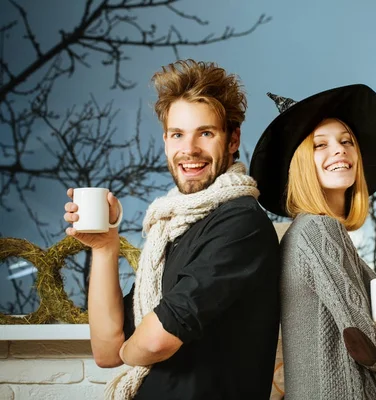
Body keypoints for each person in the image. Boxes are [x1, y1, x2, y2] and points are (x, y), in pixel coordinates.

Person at [63, 60, 281, 400]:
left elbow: (155, 340)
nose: (189, 149)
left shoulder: (241, 222)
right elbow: (107, 349)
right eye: (178, 134)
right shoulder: (172, 230)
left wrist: (135, 353)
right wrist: (106, 246)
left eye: (206, 133)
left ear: (233, 138)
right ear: (166, 141)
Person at [250, 84, 376, 399]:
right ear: (302, 163)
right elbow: (366, 342)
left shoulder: (309, 233)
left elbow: (362, 355)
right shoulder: (319, 230)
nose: (339, 150)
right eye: (320, 144)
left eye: (346, 141)